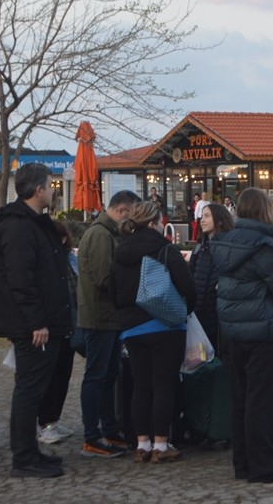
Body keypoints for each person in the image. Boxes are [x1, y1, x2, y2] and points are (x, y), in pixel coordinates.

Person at [0, 164, 73, 479]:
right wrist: (36, 322)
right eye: (50, 185)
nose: (53, 191)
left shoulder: (34, 222)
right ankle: (23, 458)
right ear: (38, 190)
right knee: (29, 391)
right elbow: (20, 279)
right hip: (31, 326)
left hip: (42, 321)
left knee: (34, 389)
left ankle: (31, 453)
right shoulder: (18, 227)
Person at [213, 188, 273, 484]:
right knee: (261, 402)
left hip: (231, 331)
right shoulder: (264, 246)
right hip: (261, 332)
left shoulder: (225, 243)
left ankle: (243, 464)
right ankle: (264, 467)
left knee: (239, 400)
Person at [111, 201, 197, 464]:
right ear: (152, 223)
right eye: (161, 222)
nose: (162, 226)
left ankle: (142, 444)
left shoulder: (120, 252)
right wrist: (185, 310)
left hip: (132, 329)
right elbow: (187, 286)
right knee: (163, 386)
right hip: (165, 326)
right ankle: (160, 444)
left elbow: (112, 292)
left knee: (141, 386)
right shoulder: (165, 249)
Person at [77, 189, 140, 459]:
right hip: (99, 317)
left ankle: (109, 430)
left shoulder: (108, 233)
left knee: (109, 375)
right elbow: (104, 277)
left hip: (109, 317)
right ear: (121, 210)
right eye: (132, 214)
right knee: (96, 376)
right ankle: (92, 436)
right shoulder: (101, 235)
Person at [36, 220, 81, 445]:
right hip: (53, 325)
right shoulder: (45, 262)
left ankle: (53, 420)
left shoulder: (70, 259)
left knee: (64, 374)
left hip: (70, 323)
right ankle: (45, 423)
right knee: (51, 377)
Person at [189, 202, 235, 349]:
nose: (202, 220)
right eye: (202, 216)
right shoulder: (199, 248)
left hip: (220, 320)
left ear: (220, 220)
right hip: (199, 319)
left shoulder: (229, 247)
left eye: (207, 216)